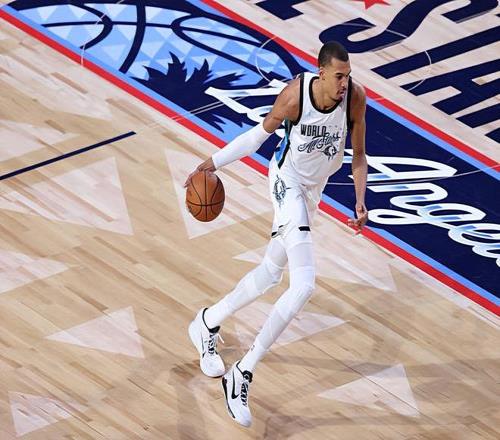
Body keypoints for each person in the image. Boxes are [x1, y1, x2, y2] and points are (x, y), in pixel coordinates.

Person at [185, 41, 368, 428]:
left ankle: (206, 321)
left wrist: (359, 201)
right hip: (287, 185)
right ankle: (243, 372)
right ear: (321, 73)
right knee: (304, 286)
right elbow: (257, 136)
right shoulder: (294, 97)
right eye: (339, 76)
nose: (344, 83)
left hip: (313, 192)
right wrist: (211, 164)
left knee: (270, 274)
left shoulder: (354, 98)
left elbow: (359, 155)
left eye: (347, 76)